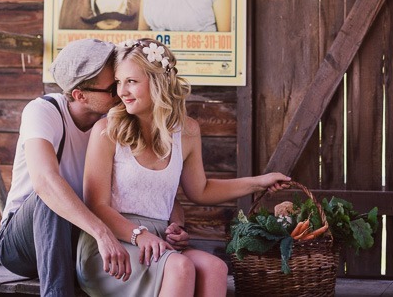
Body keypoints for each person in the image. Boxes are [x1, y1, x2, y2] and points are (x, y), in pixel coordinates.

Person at [76, 38, 291, 297]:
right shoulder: (107, 131)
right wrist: (139, 235)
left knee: (214, 268)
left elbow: (200, 190)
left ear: (157, 82)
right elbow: (96, 204)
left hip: (159, 242)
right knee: (180, 266)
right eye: (119, 82)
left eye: (131, 81)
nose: (122, 91)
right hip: (112, 245)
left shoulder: (187, 131)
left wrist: (260, 182)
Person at [0, 38, 187, 297]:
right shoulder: (43, 111)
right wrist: (102, 233)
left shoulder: (115, 125)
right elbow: (44, 182)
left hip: (79, 239)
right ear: (80, 95)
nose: (121, 92)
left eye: (124, 82)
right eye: (113, 87)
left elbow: (148, 181)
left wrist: (173, 224)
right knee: (50, 199)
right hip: (23, 243)